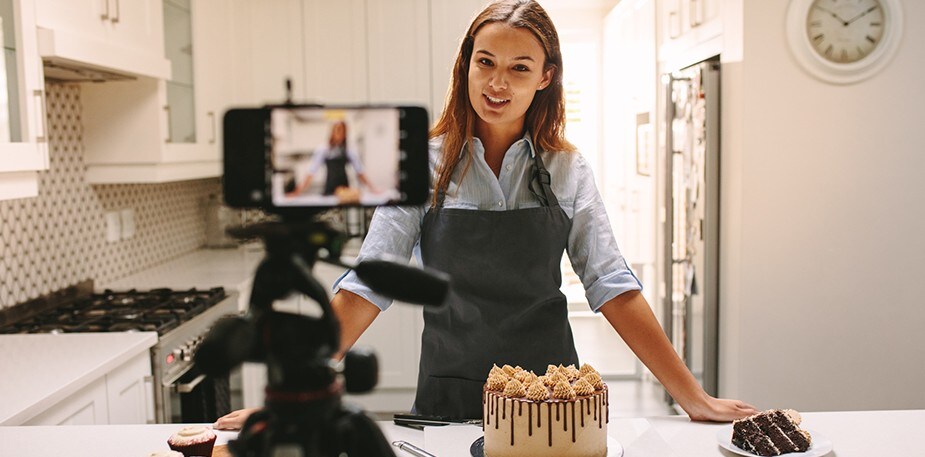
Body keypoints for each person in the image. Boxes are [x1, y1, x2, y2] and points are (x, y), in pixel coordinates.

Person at [216, 0, 757, 429]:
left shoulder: (566, 170)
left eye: (519, 68)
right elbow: (367, 284)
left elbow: (612, 284)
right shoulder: (420, 167)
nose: (497, 84)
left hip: (551, 399)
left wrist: (692, 397)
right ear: (466, 64)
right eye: (486, 63)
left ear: (545, 76)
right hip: (450, 392)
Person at [286, 121, 378, 198]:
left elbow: (360, 172)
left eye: (342, 131)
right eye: (337, 130)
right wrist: (297, 192)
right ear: (332, 132)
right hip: (329, 190)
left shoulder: (349, 150)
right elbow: (311, 172)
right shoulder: (323, 149)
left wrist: (373, 189)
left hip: (344, 192)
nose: (340, 133)